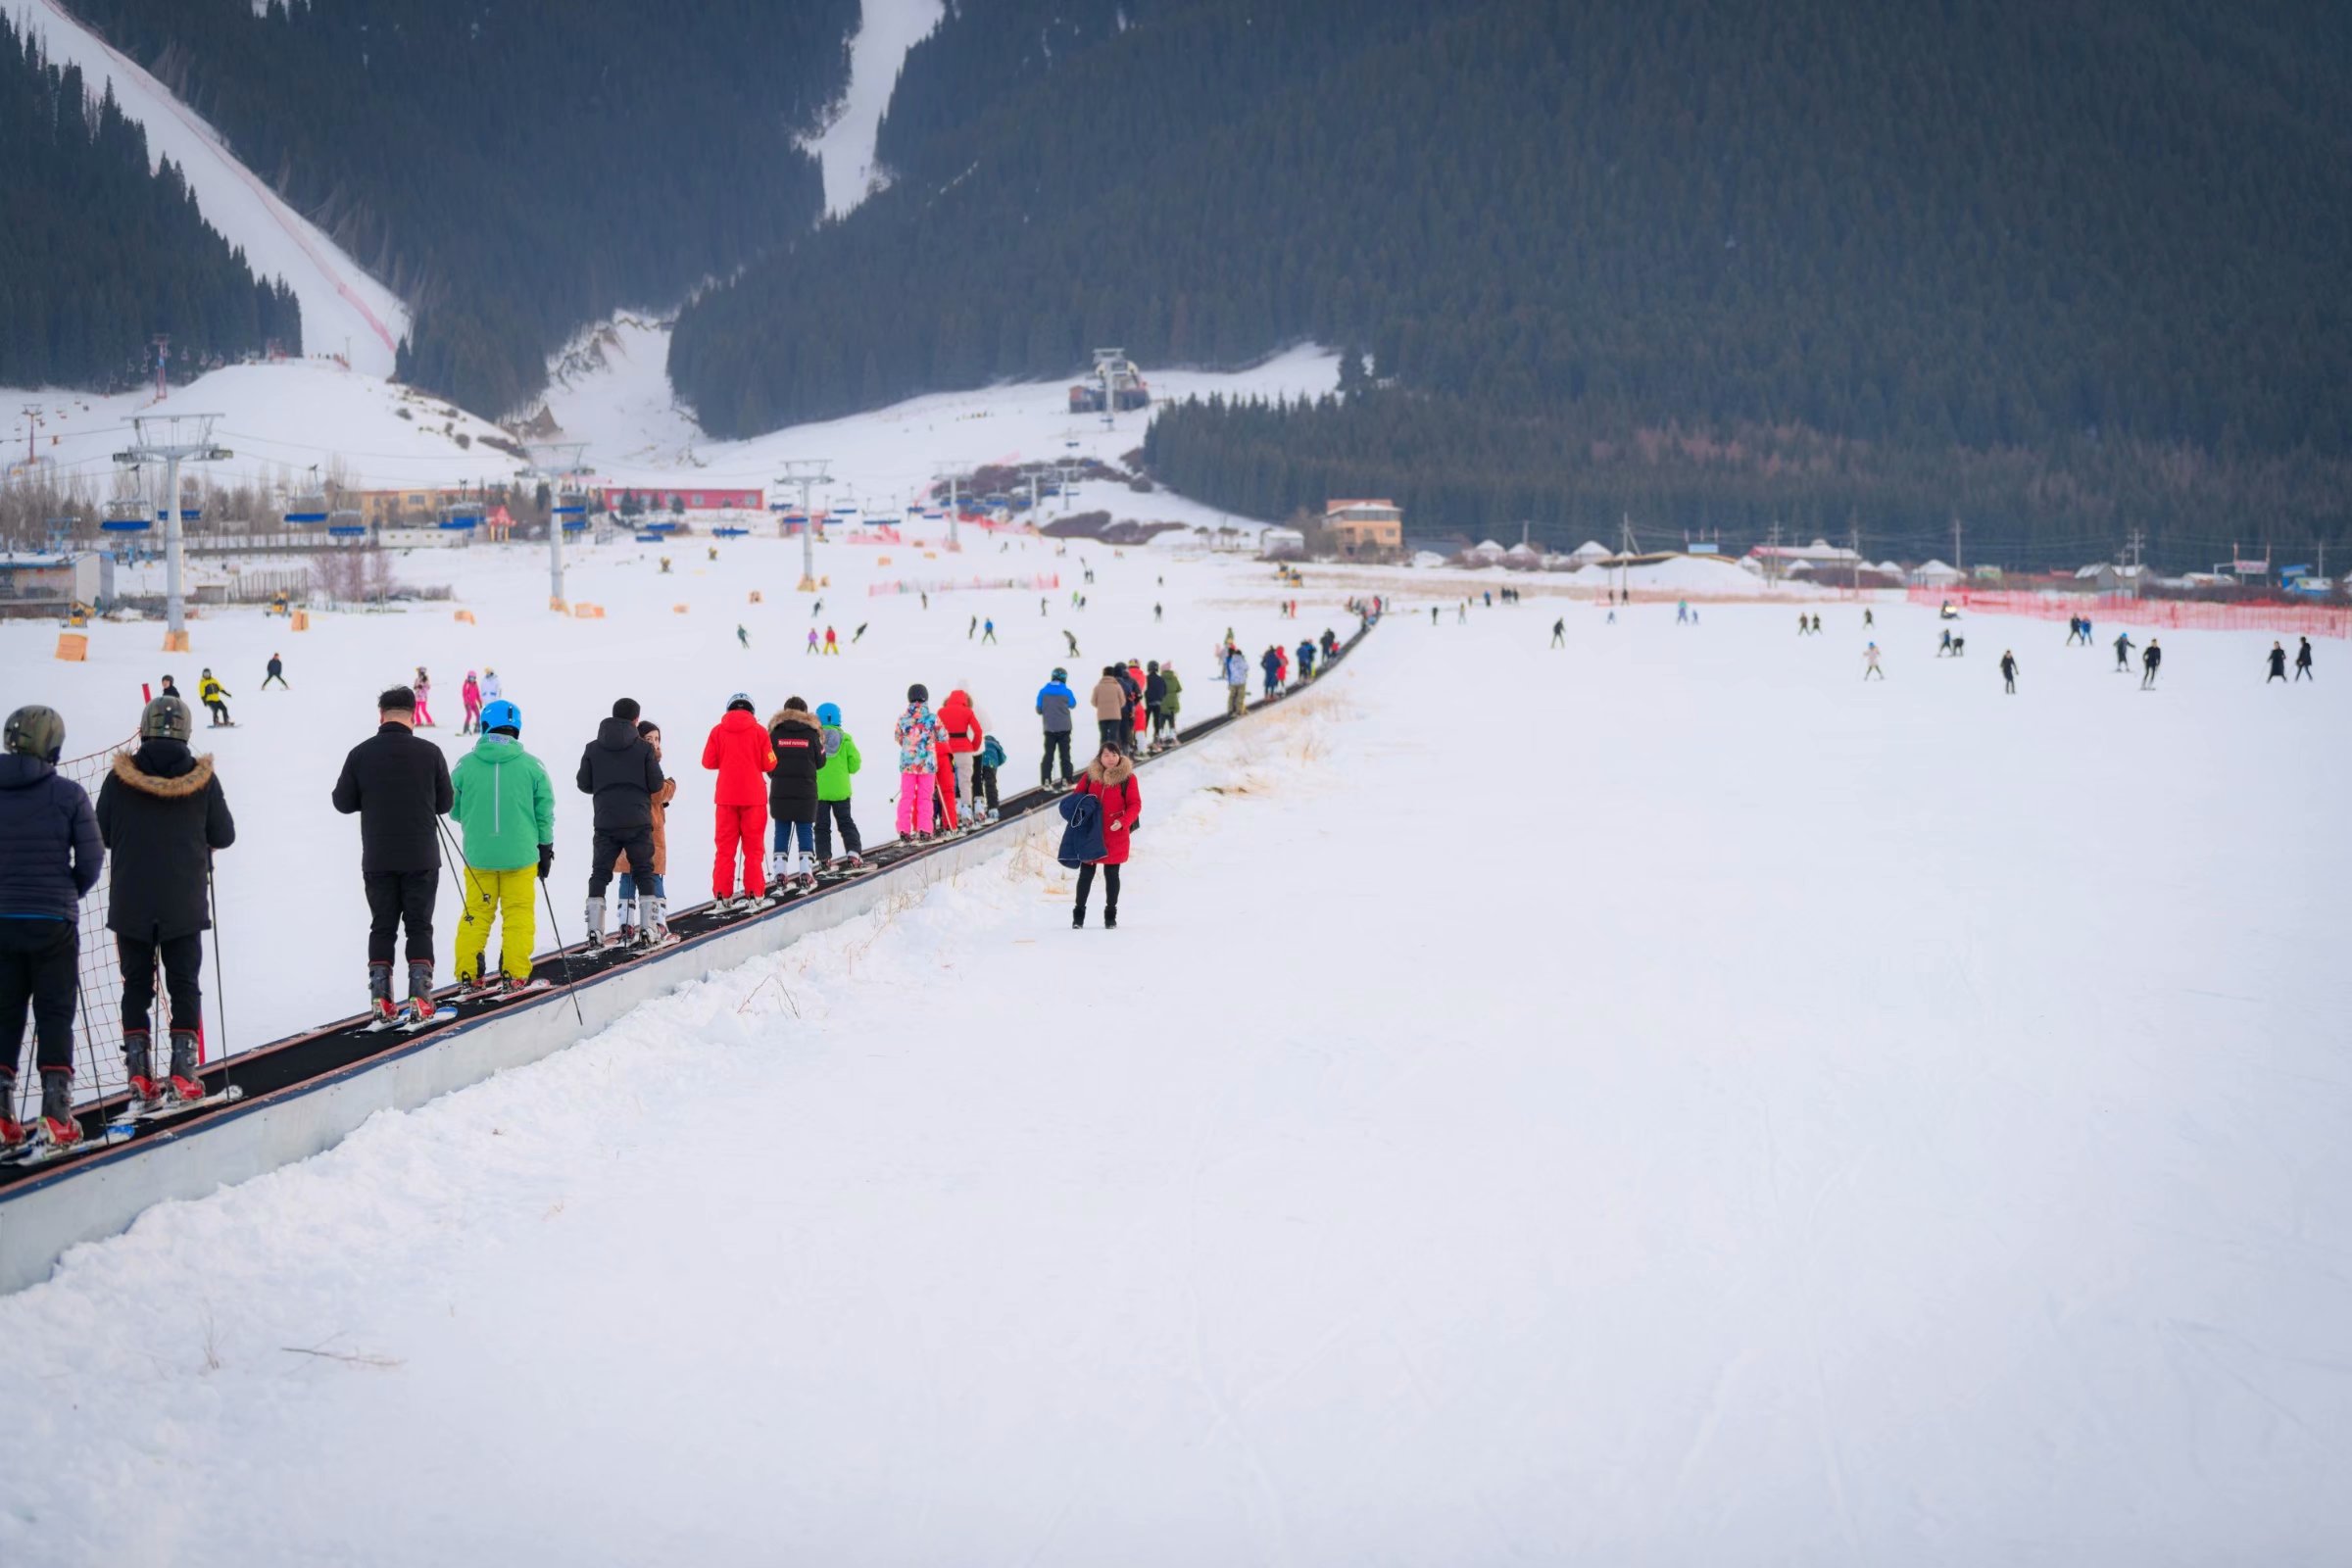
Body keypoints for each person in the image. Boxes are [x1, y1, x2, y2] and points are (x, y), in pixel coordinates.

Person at [95, 695, 235, 1104]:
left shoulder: (119, 778)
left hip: (130, 902)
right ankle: (184, 1072)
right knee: (184, 985)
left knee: (136, 986)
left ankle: (139, 1074)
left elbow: (101, 832)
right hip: (183, 902)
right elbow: (224, 835)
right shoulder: (202, 778)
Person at [0, 707, 103, 1149]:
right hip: (53, 922)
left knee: (4, 1015)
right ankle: (56, 1114)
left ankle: (2, 1117)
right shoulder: (68, 794)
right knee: (55, 1013)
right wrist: (67, 892)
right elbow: (92, 857)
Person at [330, 685, 452, 1023]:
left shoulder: (360, 753)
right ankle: (421, 998)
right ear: (413, 716)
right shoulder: (430, 753)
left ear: (381, 715)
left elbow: (342, 802)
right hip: (422, 858)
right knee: (419, 926)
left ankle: (381, 1001)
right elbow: (445, 804)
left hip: (378, 858)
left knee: (382, 926)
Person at [449, 698, 555, 994]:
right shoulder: (532, 765)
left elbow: (453, 809)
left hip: (478, 856)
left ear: (485, 725)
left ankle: (469, 973)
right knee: (518, 912)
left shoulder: (464, 765)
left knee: (477, 912)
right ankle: (515, 974)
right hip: (521, 856)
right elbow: (544, 811)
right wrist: (545, 847)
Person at [577, 697, 664, 947]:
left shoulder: (593, 748)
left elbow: (584, 783)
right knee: (644, 871)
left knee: (600, 873)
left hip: (605, 821)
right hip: (637, 820)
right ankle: (648, 928)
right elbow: (656, 784)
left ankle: (594, 931)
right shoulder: (644, 749)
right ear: (636, 720)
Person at [702, 693, 775, 906]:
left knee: (725, 849)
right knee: (753, 849)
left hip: (725, 798)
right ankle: (755, 894)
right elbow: (770, 763)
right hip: (754, 798)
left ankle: (722, 896)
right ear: (751, 711)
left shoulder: (717, 731)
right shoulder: (760, 732)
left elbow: (708, 761)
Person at [1067, 740, 1140, 930]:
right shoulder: (1090, 776)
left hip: (1116, 833)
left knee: (1112, 874)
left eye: (1114, 754)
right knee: (1086, 873)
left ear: (1120, 756)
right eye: (1106, 755)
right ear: (1100, 757)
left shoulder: (1128, 778)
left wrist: (1123, 822)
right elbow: (1077, 798)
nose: (1111, 758)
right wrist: (1082, 812)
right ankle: (1078, 916)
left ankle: (1110, 916)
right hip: (1091, 832)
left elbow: (1135, 804)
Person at [615, 721, 675, 944]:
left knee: (628, 873)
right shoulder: (649, 762)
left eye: (657, 739)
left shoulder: (623, 762)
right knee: (653, 872)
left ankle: (626, 924)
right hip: (650, 829)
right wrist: (672, 786)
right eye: (648, 738)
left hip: (625, 823)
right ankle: (657, 923)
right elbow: (657, 792)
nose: (654, 743)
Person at [765, 699, 826, 890]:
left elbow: (769, 763)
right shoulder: (812, 734)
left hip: (780, 791)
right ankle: (806, 872)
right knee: (805, 829)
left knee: (781, 830)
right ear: (805, 712)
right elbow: (821, 761)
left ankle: (780, 874)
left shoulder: (774, 734)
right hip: (805, 791)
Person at [813, 703, 863, 868]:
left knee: (821, 826)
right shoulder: (846, 739)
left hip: (819, 792)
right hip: (841, 791)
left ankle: (824, 858)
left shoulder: (814, 740)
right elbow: (855, 765)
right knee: (845, 822)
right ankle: (854, 853)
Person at [894, 684, 944, 842]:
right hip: (927, 765)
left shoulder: (902, 718)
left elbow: (898, 738)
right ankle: (924, 830)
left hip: (908, 764)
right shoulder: (932, 718)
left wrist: (910, 746)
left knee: (906, 797)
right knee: (925, 797)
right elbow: (943, 736)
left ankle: (904, 830)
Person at [938, 685, 985, 824]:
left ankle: (952, 814)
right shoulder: (968, 712)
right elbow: (978, 731)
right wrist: (974, 746)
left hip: (948, 752)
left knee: (950, 784)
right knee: (965, 782)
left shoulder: (941, 712)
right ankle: (967, 812)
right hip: (964, 751)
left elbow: (936, 732)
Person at [1037, 666, 1078, 786]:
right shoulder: (1067, 691)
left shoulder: (1043, 691)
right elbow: (1073, 704)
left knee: (1048, 754)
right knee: (1065, 754)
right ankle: (1067, 779)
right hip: (1064, 728)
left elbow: (1039, 709)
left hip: (1049, 728)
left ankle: (1046, 780)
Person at [1091, 665, 1127, 751]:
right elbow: (1123, 701)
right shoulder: (1117, 686)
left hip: (1102, 716)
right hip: (1115, 715)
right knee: (1113, 736)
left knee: (1103, 736)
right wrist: (1117, 707)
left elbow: (1093, 701)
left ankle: (1103, 754)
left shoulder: (1097, 687)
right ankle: (1113, 754)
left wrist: (1101, 706)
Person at [1157, 662, 1183, 747]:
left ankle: (1160, 739)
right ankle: (1173, 739)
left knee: (1161, 723)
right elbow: (1179, 689)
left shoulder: (1160, 679)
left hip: (1162, 704)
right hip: (1172, 704)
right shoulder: (1174, 678)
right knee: (1172, 722)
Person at [1224, 644, 1249, 716]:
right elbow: (1247, 668)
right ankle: (1238, 711)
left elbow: (1229, 670)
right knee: (1240, 696)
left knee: (1232, 696)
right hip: (1241, 681)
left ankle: (1230, 710)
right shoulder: (1242, 661)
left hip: (1233, 681)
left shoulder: (1231, 661)